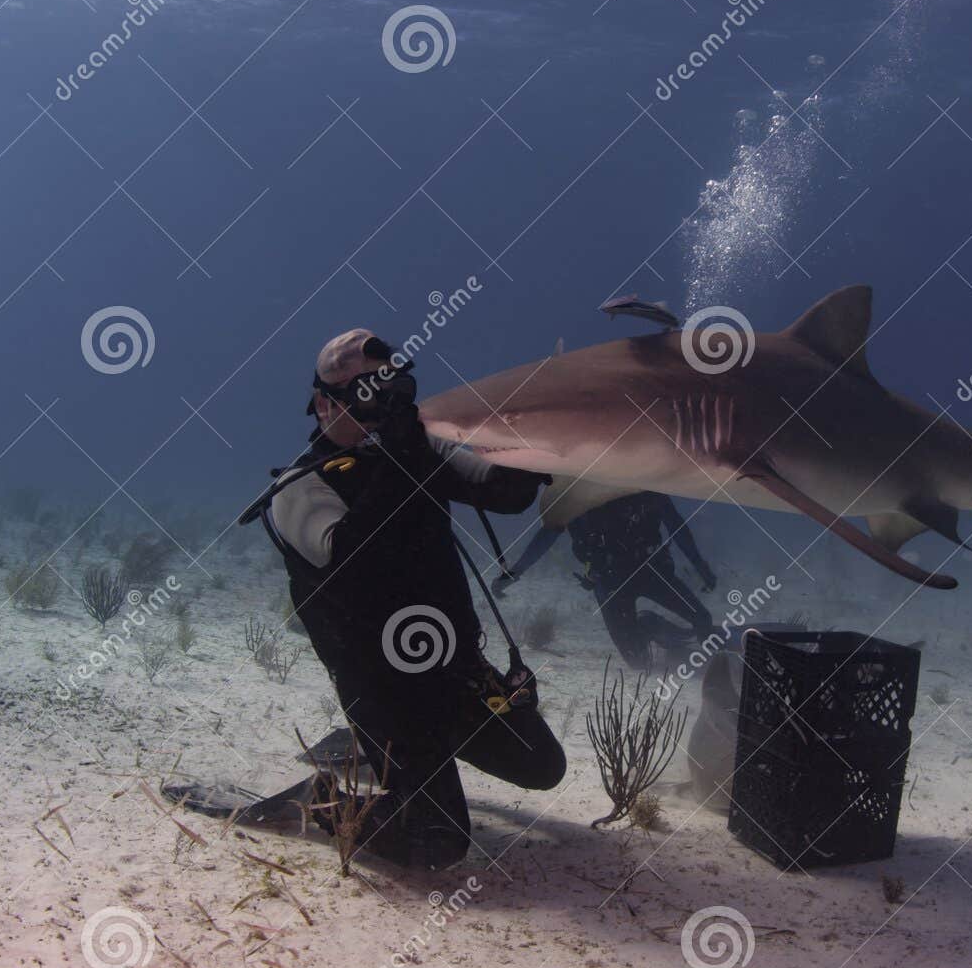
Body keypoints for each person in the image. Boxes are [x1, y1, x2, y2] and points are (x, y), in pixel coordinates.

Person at [206, 330, 565, 871]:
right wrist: (402, 455)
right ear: (325, 404)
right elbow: (348, 560)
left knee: (543, 766)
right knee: (438, 840)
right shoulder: (300, 488)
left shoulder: (419, 449)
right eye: (367, 396)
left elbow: (506, 495)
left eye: (391, 391)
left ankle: (387, 759)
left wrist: (535, 447)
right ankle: (323, 796)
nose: (383, 410)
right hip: (386, 688)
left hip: (454, 669)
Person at [496, 491, 716, 669]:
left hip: (652, 569)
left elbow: (677, 527)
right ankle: (650, 625)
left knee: (703, 620)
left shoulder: (644, 485)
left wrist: (700, 565)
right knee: (638, 661)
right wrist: (515, 572)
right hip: (610, 581)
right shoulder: (577, 495)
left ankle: (671, 636)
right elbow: (549, 532)